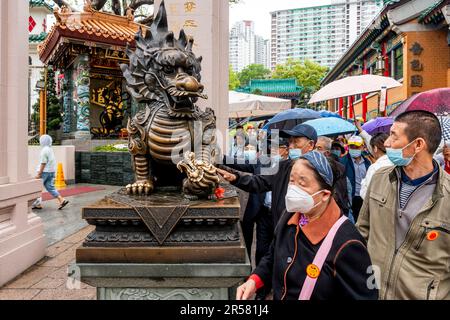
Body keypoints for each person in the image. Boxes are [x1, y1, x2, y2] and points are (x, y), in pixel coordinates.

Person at [236, 151, 378, 300]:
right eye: (291, 181)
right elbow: (273, 255)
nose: (293, 189)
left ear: (325, 194)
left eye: (302, 183)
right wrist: (254, 280)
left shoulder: (348, 243)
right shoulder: (290, 216)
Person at [357, 110, 450, 300]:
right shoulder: (380, 179)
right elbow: (363, 231)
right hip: (373, 290)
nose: (386, 143)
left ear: (417, 144)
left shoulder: (446, 195)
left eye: (394, 135)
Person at [223, 138, 289, 300]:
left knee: (280, 250)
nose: (273, 151)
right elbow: (241, 166)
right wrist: (219, 158)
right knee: (261, 250)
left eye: (277, 148)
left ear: (286, 150)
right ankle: (262, 289)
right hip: (262, 214)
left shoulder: (292, 168)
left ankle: (279, 283)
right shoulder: (263, 163)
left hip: (281, 215)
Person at [217, 124, 317, 225]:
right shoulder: (282, 167)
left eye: (296, 142)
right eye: (290, 142)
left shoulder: (320, 171)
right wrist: (235, 178)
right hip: (275, 220)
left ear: (311, 145)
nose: (291, 146)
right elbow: (260, 182)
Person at [316, 136, 351, 218]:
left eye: (319, 148)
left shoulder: (339, 168)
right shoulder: (308, 167)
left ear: (327, 153)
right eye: (314, 147)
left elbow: (343, 192)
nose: (315, 151)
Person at [32, 135, 69, 210]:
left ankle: (37, 204)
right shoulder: (50, 149)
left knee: (37, 188)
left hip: (44, 172)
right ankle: (62, 200)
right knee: (50, 188)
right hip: (51, 172)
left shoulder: (44, 150)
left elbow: (43, 162)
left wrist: (39, 173)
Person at [339, 135, 371, 222]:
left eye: (357, 147)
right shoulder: (342, 162)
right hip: (351, 198)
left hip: (364, 197)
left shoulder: (368, 162)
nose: (354, 149)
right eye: (351, 146)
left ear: (362, 147)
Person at [360, 133, 393, 199]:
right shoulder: (397, 163)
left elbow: (365, 194)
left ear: (375, 148)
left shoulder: (374, 168)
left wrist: (364, 182)